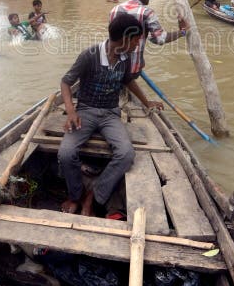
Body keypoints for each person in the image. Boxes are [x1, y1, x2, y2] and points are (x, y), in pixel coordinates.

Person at [58, 14, 163, 216]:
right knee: (65, 153)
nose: (137, 45)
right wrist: (71, 111)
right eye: (136, 39)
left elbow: (129, 81)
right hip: (86, 111)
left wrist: (147, 102)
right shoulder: (89, 55)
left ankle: (94, 196)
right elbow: (65, 82)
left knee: (126, 154)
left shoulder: (126, 58)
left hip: (110, 115)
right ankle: (75, 196)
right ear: (125, 38)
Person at [110, 0, 189, 75]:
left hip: (112, 66)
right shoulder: (147, 12)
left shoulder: (114, 10)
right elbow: (160, 39)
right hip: (132, 69)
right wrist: (182, 32)